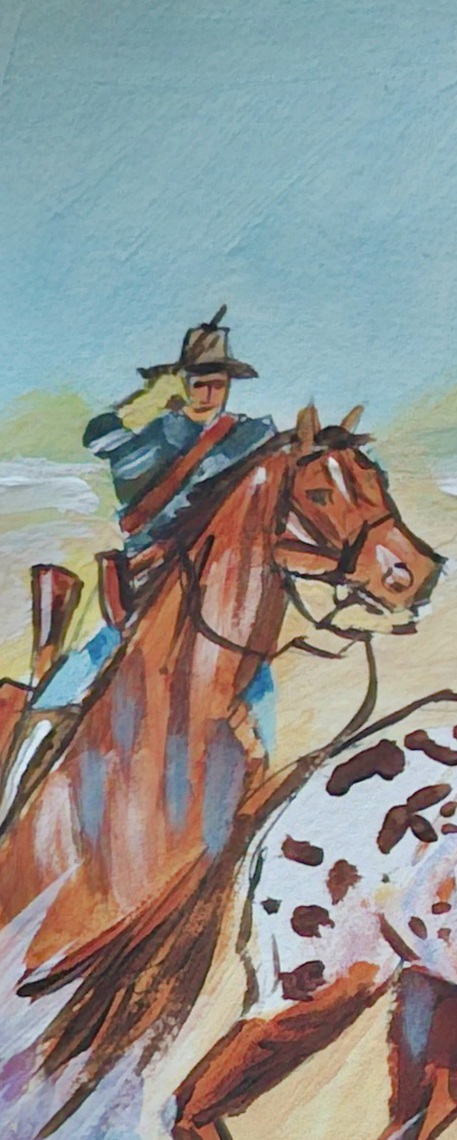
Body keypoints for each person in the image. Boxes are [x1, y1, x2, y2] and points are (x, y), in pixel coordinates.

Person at [2, 310, 278, 816]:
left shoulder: (250, 439)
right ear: (183, 382)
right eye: (198, 381)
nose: (208, 392)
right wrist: (144, 398)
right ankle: (18, 783)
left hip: (220, 589)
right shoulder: (158, 436)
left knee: (258, 691)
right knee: (68, 684)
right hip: (150, 581)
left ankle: (254, 799)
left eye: (217, 382)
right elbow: (99, 436)